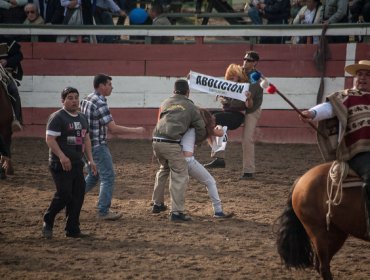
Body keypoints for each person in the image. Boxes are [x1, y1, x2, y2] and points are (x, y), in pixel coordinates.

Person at [300, 60, 370, 233]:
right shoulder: (345, 97)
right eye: (359, 74)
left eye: (368, 75)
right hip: (359, 152)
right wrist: (312, 113)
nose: (363, 78)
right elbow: (327, 108)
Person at [80, 73, 145, 221]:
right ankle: (103, 211)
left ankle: (72, 197)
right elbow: (113, 128)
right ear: (101, 86)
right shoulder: (100, 103)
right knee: (108, 176)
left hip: (85, 145)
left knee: (94, 175)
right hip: (97, 146)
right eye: (109, 84)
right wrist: (136, 130)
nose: (111, 87)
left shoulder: (86, 99)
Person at [42, 87, 97, 239]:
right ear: (63, 101)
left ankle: (72, 229)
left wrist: (91, 160)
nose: (74, 101)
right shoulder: (57, 117)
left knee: (78, 195)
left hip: (77, 163)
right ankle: (48, 219)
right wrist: (61, 156)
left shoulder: (82, 117)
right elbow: (50, 139)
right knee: (64, 194)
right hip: (60, 164)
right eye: (70, 98)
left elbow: (85, 139)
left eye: (76, 98)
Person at [151, 79, 206, 222]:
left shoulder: (165, 103)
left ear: (173, 91)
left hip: (156, 141)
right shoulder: (190, 106)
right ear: (188, 92)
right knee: (180, 173)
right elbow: (201, 128)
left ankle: (157, 204)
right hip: (171, 143)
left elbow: (159, 121)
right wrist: (197, 142)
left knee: (164, 168)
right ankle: (176, 212)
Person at [205, 51, 264, 180]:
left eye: (248, 60)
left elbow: (246, 99)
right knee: (220, 123)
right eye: (244, 59)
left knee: (247, 139)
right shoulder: (239, 72)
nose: (245, 62)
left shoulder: (255, 77)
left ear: (255, 63)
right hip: (237, 107)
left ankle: (248, 171)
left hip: (251, 109)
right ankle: (219, 157)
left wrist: (228, 101)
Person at [181, 108, 234, 218]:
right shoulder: (201, 128)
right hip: (188, 161)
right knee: (210, 182)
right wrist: (219, 126)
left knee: (176, 184)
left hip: (175, 159)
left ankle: (160, 204)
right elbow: (220, 133)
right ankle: (218, 211)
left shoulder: (184, 125)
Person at [0, 37, 23, 132]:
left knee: (13, 89)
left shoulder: (5, 40)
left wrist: (7, 61)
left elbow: (19, 56)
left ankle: (16, 120)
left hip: (4, 72)